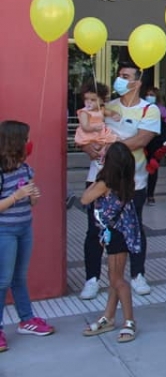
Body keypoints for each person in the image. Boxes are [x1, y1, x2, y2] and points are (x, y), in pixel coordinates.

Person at [79, 62, 158, 299]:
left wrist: (110, 147)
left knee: (133, 229)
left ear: (137, 82)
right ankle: (92, 279)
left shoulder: (148, 110)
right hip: (99, 178)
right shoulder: (106, 106)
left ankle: (137, 275)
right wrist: (90, 149)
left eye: (125, 76)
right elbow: (88, 135)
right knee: (94, 230)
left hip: (133, 181)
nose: (120, 80)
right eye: (119, 75)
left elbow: (141, 140)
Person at [0, 120, 54, 352]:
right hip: (5, 231)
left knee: (19, 277)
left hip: (24, 227)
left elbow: (32, 200)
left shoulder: (25, 167)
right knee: (2, 280)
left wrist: (33, 196)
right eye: (26, 138)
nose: (28, 142)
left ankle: (26, 319)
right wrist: (17, 195)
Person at [81, 142, 142, 344]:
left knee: (117, 281)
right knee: (114, 277)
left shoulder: (104, 183)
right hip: (123, 232)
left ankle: (129, 321)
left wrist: (99, 171)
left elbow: (84, 199)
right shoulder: (126, 181)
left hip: (115, 235)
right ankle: (108, 316)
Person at [73, 82, 119, 165]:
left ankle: (102, 155)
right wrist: (93, 128)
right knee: (93, 147)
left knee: (110, 142)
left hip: (100, 132)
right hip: (89, 133)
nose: (89, 102)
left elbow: (110, 112)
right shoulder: (84, 112)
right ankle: (96, 156)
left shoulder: (101, 109)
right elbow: (85, 126)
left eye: (93, 100)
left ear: (102, 100)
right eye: (86, 99)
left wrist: (115, 115)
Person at [144, 85, 166, 206]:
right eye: (148, 94)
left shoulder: (162, 109)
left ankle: (150, 195)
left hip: (156, 144)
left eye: (152, 95)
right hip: (143, 142)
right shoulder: (142, 107)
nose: (149, 97)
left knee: (153, 169)